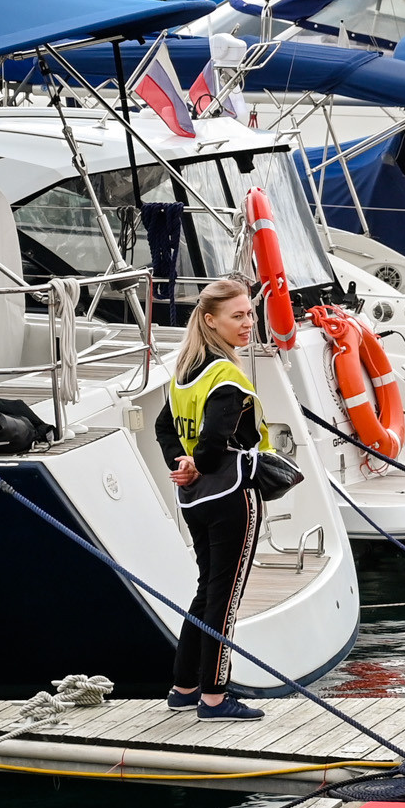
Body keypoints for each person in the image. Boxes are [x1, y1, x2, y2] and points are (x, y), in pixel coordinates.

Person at [153, 279, 272, 719]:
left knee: (206, 592)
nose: (248, 323)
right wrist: (196, 462)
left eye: (249, 313)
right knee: (225, 597)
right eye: (237, 316)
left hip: (195, 499)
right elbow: (215, 441)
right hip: (231, 496)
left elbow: (164, 427)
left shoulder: (184, 375)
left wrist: (182, 464)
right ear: (210, 321)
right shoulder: (225, 376)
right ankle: (215, 697)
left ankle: (184, 687)